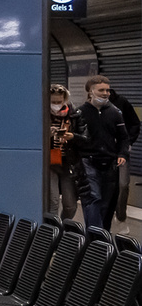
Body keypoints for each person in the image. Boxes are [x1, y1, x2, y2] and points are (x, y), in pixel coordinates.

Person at [70, 75, 131, 233]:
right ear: (91, 91)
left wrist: (122, 154)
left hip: (110, 162)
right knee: (93, 198)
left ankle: (103, 235)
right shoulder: (80, 113)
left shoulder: (115, 113)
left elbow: (124, 137)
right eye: (101, 90)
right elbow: (74, 139)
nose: (106, 93)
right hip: (88, 162)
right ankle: (94, 237)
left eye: (107, 90)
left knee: (107, 203)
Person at [109, 86, 139, 234]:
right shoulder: (91, 106)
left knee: (123, 184)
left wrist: (129, 142)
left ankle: (121, 217)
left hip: (122, 150)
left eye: (105, 89)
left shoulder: (122, 102)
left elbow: (135, 123)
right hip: (102, 152)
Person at [47, 84, 77, 221]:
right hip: (50, 161)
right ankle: (52, 233)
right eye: (53, 102)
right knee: (53, 202)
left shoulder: (73, 115)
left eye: (59, 102)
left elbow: (84, 137)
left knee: (70, 205)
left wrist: (72, 137)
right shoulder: (42, 116)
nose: (56, 105)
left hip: (67, 162)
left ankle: (64, 227)